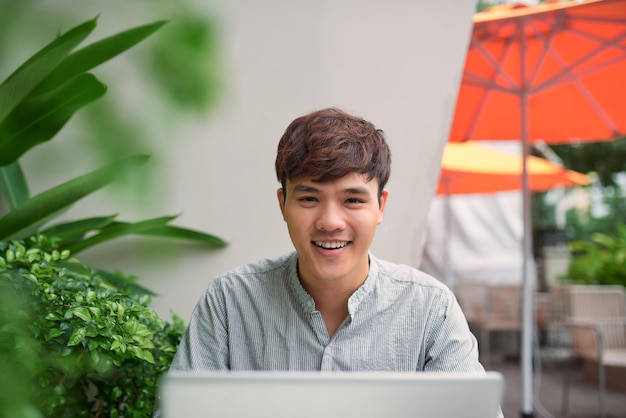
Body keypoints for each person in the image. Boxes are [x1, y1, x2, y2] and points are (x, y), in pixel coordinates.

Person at [157, 107, 502, 417]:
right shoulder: (229, 302)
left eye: (352, 199)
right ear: (283, 204)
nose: (330, 221)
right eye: (309, 198)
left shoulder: (431, 309)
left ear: (380, 206)